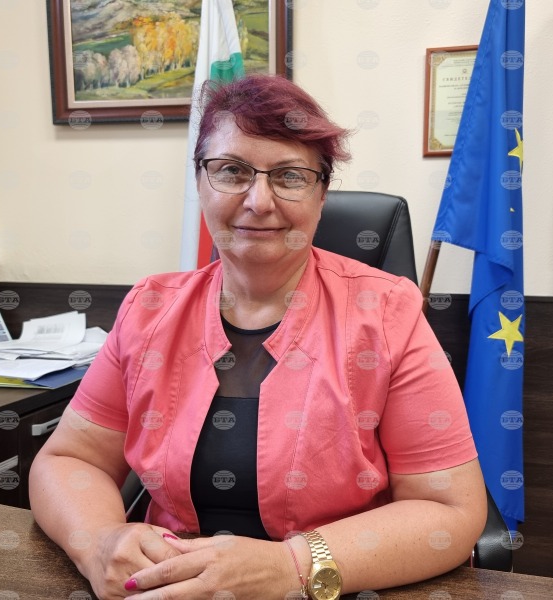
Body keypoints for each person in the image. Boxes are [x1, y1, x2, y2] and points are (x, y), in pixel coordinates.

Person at [29, 74, 486, 600]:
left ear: (321, 194)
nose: (259, 200)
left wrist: (291, 566)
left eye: (290, 176)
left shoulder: (387, 314)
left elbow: (448, 510)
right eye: (232, 171)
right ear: (200, 181)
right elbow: (71, 460)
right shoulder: (149, 308)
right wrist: (98, 542)